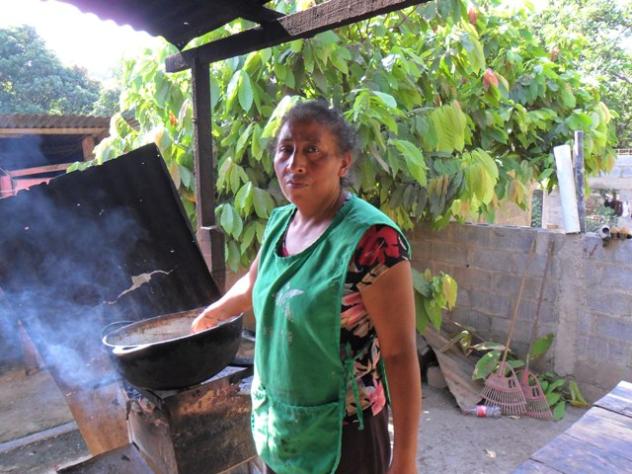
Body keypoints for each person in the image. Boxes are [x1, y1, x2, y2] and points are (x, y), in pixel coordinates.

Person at [192, 100, 421, 474]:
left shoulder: (374, 241)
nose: (295, 163)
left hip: (346, 438)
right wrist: (212, 313)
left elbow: (399, 353)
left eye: (313, 150)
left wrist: (405, 459)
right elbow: (254, 282)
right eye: (286, 149)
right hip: (281, 425)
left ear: (343, 163)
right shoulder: (280, 223)